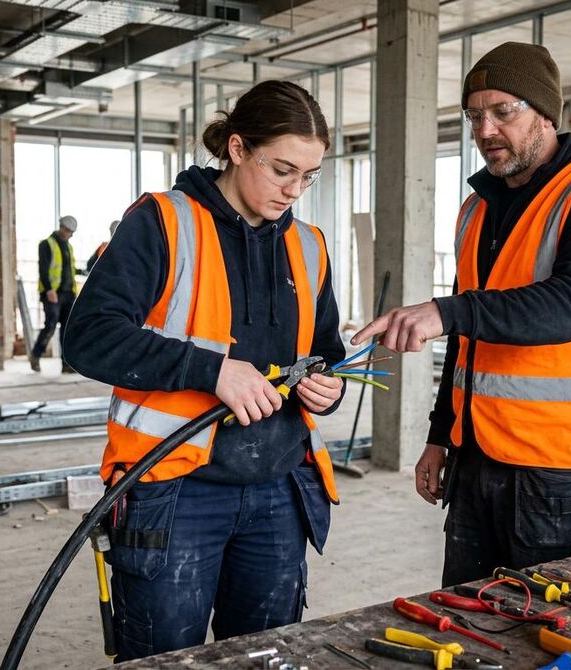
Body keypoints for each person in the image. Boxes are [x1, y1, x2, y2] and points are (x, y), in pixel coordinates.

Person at [64, 80, 346, 662]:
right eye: (282, 170)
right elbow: (88, 339)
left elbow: (325, 351)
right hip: (177, 490)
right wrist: (210, 370)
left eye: (309, 176)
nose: (294, 191)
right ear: (238, 149)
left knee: (264, 656)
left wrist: (329, 387)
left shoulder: (310, 244)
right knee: (167, 657)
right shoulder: (163, 222)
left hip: (278, 488)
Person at [352, 42, 571, 586]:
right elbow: (470, 339)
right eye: (474, 115)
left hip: (557, 468)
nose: (485, 129)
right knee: (470, 621)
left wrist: (445, 312)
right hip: (476, 456)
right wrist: (441, 434)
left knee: (544, 632)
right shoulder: (479, 207)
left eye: (503, 111)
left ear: (545, 113)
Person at [29, 215, 78, 373]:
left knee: (67, 330)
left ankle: (66, 364)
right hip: (53, 293)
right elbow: (43, 269)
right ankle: (36, 356)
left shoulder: (68, 247)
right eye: (68, 231)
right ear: (62, 228)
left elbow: (68, 268)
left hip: (68, 294)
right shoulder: (46, 244)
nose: (69, 235)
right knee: (50, 326)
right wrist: (49, 290)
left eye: (72, 233)